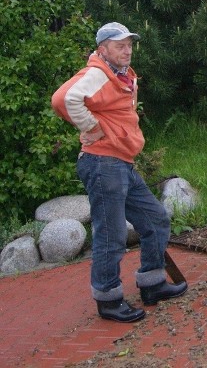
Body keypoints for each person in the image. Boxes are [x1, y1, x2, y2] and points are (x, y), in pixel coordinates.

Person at [52, 22, 187, 322]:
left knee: (155, 219)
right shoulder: (98, 72)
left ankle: (152, 284)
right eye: (119, 45)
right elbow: (63, 99)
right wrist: (92, 127)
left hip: (120, 163)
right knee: (111, 235)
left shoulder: (123, 76)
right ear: (103, 49)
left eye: (129, 44)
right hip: (102, 163)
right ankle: (108, 299)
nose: (127, 50)